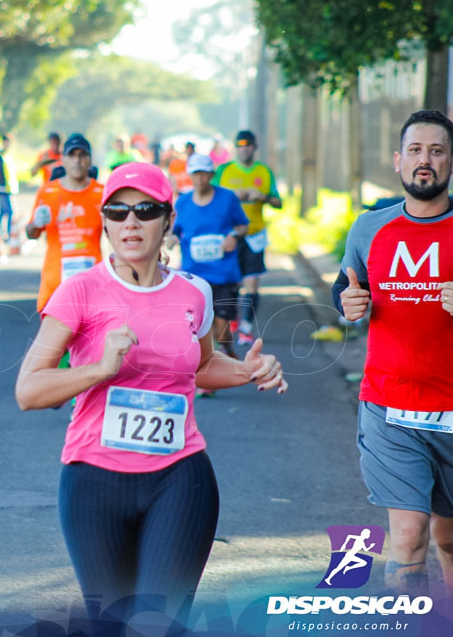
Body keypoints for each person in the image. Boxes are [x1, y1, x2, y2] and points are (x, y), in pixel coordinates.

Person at [16, 162, 287, 633]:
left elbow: (201, 367)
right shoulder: (78, 291)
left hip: (180, 478)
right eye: (117, 212)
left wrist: (247, 370)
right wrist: (99, 368)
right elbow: (29, 389)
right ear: (104, 221)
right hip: (94, 480)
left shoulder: (194, 293)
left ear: (168, 220)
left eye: (145, 210)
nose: (131, 223)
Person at [334, 109, 453, 596]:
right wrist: (346, 303)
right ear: (397, 161)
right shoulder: (369, 228)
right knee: (407, 537)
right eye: (414, 151)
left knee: (450, 539)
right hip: (389, 408)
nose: (424, 161)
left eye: (435, 151)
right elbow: (347, 288)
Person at [172, 153, 249, 362]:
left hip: (223, 273)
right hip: (193, 274)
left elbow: (243, 225)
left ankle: (226, 349)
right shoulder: (183, 203)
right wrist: (169, 240)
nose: (200, 179)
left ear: (211, 174)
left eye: (204, 174)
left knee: (222, 326)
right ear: (190, 175)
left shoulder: (227, 198)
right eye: (196, 174)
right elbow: (174, 230)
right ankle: (208, 368)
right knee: (197, 325)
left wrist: (233, 236)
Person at [215, 130, 282, 346]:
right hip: (230, 236)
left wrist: (261, 197)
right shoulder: (224, 171)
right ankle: (233, 319)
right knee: (232, 283)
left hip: (254, 235)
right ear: (236, 147)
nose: (244, 148)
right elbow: (211, 198)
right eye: (240, 145)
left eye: (248, 145)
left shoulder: (264, 172)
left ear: (254, 147)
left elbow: (278, 202)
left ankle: (246, 326)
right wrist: (234, 196)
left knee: (252, 282)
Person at [25, 133, 104, 313]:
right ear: (63, 159)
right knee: (56, 341)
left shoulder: (102, 193)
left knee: (91, 340)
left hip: (92, 282)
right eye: (72, 155)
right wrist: (36, 223)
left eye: (82, 155)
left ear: (90, 159)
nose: (77, 160)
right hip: (55, 282)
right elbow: (31, 233)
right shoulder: (47, 191)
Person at [0, 133, 19, 241]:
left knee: (4, 212)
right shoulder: (1, 157)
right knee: (7, 212)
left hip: (8, 189)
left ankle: (0, 233)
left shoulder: (8, 156)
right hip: (3, 189)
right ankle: (4, 234)